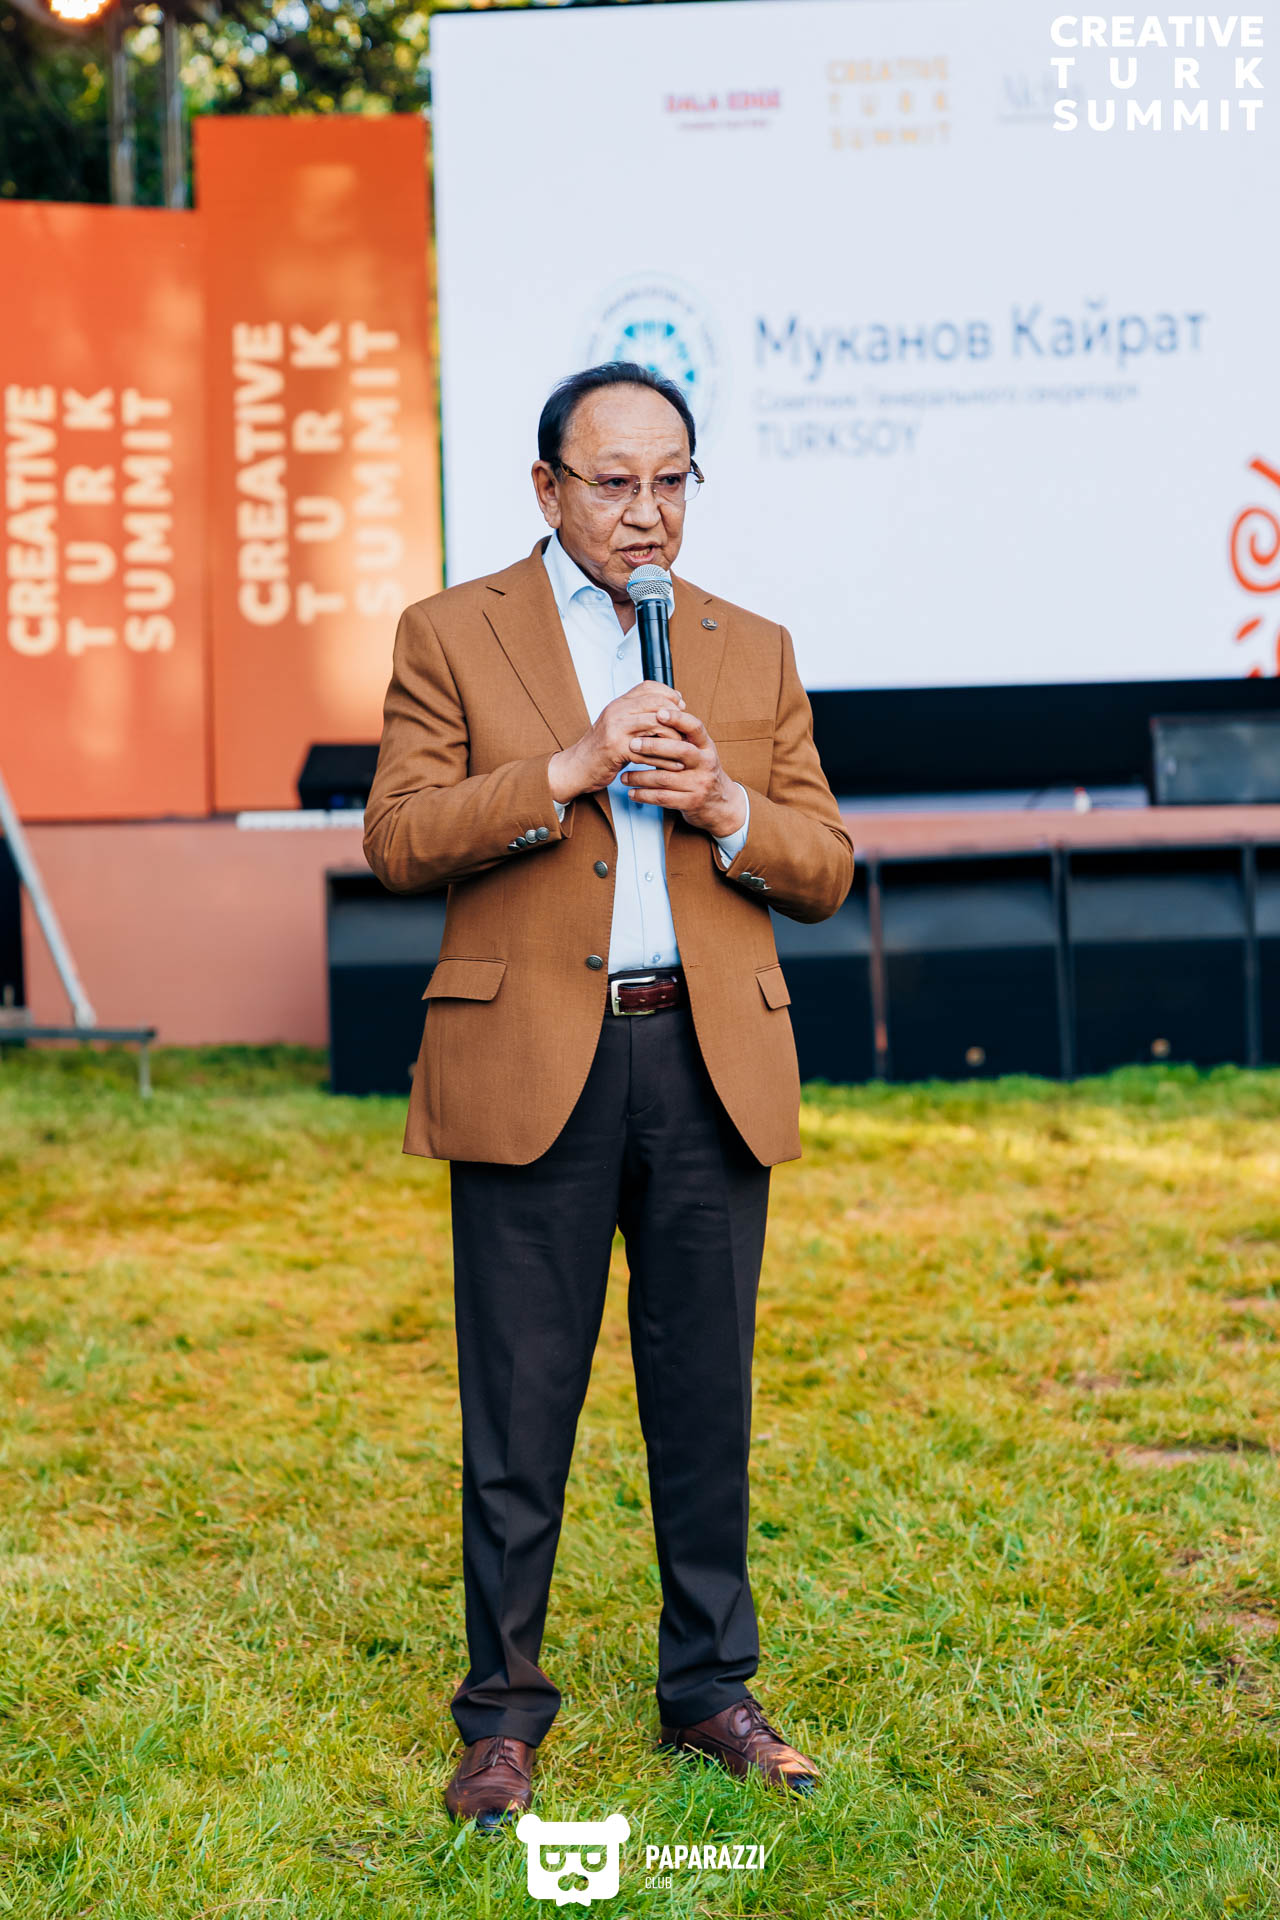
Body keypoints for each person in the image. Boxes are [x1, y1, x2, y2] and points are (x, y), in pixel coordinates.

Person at [362, 361, 854, 1830]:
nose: (648, 512)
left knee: (705, 1399)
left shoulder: (750, 646)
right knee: (521, 1410)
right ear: (547, 487)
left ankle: (710, 1689)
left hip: (704, 1059)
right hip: (531, 1061)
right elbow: (397, 839)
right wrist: (565, 768)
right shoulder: (453, 632)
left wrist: (729, 810)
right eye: (615, 481)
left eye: (672, 481)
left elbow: (826, 865)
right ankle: (503, 1717)